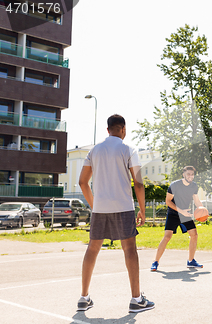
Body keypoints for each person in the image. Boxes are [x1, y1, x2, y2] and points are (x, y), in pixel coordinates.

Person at [78, 114, 155, 312]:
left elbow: (82, 182)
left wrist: (95, 205)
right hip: (123, 207)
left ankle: (84, 297)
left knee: (92, 249)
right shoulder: (129, 149)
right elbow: (138, 182)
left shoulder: (94, 151)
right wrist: (143, 211)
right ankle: (136, 300)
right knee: (130, 250)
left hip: (100, 208)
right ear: (123, 129)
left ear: (107, 129)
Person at [151, 166, 203, 271]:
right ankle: (155, 261)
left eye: (192, 174)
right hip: (173, 213)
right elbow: (168, 201)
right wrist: (181, 211)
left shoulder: (194, 186)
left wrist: (203, 211)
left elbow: (196, 201)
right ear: (183, 174)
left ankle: (191, 261)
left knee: (194, 235)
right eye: (188, 174)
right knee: (167, 237)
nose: (190, 176)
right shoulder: (175, 185)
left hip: (185, 214)